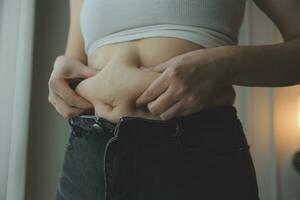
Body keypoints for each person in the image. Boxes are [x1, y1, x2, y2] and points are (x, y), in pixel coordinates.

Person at [48, 0, 300, 199]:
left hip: (194, 155)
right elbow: (75, 57)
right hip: (89, 153)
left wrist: (223, 65)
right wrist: (61, 69)